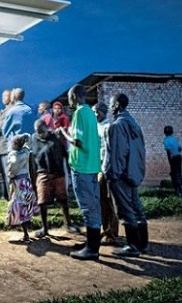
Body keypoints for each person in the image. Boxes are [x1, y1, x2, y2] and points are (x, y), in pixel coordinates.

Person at [57, 84, 101, 260]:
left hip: (82, 166)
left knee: (87, 207)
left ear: (73, 97)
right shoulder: (90, 112)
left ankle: (92, 249)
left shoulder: (79, 113)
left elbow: (78, 141)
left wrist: (63, 133)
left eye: (69, 97)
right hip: (92, 165)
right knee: (93, 206)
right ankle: (91, 243)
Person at [104, 92, 149, 257]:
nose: (110, 107)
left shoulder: (117, 126)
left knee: (125, 210)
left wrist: (113, 175)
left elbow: (117, 154)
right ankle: (142, 244)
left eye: (111, 104)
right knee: (137, 209)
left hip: (120, 175)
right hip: (133, 173)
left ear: (116, 105)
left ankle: (132, 246)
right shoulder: (134, 124)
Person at [32, 118, 77, 238]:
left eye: (43, 131)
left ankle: (68, 224)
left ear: (46, 128)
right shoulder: (34, 139)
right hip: (43, 172)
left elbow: (64, 154)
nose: (41, 134)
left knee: (63, 199)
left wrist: (67, 168)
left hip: (58, 172)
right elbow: (32, 158)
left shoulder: (55, 138)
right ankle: (44, 228)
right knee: (42, 201)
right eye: (38, 132)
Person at [6, 133, 40, 243]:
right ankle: (25, 231)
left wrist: (11, 173)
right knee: (26, 205)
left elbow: (13, 165)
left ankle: (25, 234)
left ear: (15, 144)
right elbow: (29, 140)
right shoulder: (26, 152)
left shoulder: (13, 154)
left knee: (18, 206)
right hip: (26, 182)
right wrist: (25, 136)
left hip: (18, 183)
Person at [94, 102, 120, 246]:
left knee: (109, 201)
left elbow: (109, 151)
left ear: (103, 112)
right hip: (97, 168)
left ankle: (111, 233)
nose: (94, 114)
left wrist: (104, 170)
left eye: (96, 112)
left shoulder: (108, 127)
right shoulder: (96, 127)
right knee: (101, 201)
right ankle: (105, 230)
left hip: (106, 169)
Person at [1, 88, 33, 196]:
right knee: (26, 173)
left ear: (13, 97)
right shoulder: (29, 109)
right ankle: (26, 195)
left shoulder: (12, 111)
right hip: (28, 146)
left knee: (12, 173)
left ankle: (14, 197)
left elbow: (5, 131)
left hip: (14, 147)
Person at [0, 88, 13, 200]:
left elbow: (1, 127)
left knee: (9, 174)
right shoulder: (4, 110)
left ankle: (12, 198)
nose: (3, 98)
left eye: (5, 96)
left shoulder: (10, 110)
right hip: (3, 145)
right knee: (6, 174)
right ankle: (10, 196)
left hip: (7, 146)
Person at [163, 125, 182, 196]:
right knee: (178, 173)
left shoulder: (166, 140)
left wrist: (170, 161)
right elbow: (180, 149)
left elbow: (168, 151)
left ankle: (178, 191)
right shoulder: (174, 139)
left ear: (165, 132)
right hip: (179, 157)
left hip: (173, 158)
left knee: (174, 174)